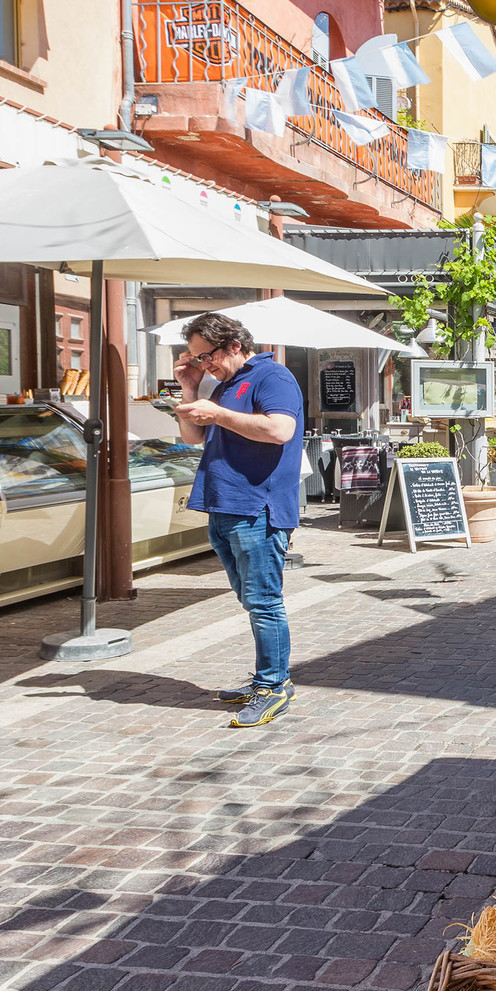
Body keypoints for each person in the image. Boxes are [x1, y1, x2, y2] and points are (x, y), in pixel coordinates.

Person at [173, 311, 305, 728]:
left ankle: (274, 686)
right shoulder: (224, 385)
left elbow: (280, 430)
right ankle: (266, 679)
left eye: (204, 356)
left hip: (257, 508)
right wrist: (191, 389)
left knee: (265, 603)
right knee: (251, 601)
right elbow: (193, 438)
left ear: (233, 345)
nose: (202, 364)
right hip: (224, 505)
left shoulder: (273, 377)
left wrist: (217, 413)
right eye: (196, 359)